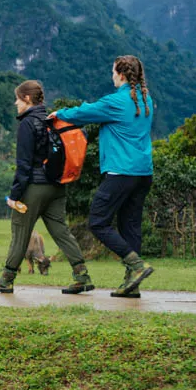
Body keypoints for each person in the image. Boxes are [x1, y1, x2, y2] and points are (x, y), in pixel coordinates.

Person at [51, 56, 155, 297]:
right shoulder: (145, 99)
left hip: (121, 171)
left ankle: (137, 266)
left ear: (120, 74)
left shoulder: (117, 101)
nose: (111, 76)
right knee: (130, 225)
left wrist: (59, 113)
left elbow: (85, 112)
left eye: (112, 71)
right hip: (143, 172)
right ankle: (132, 284)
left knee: (98, 221)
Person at [0, 80, 93, 294]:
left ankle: (6, 279)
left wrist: (15, 196)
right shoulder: (51, 119)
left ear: (26, 98)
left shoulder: (27, 123)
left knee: (20, 230)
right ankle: (82, 276)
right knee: (61, 231)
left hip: (34, 186)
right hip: (57, 186)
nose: (15, 103)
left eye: (17, 98)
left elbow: (24, 165)